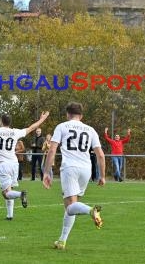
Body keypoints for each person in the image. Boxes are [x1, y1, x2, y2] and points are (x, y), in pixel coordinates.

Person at [42, 102, 106, 250]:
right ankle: (62, 240)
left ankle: (91, 210)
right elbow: (100, 155)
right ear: (81, 115)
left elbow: (52, 150)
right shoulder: (90, 130)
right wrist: (102, 176)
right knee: (73, 206)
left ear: (67, 114)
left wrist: (46, 172)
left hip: (70, 168)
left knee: (70, 207)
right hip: (86, 169)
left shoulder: (62, 126)